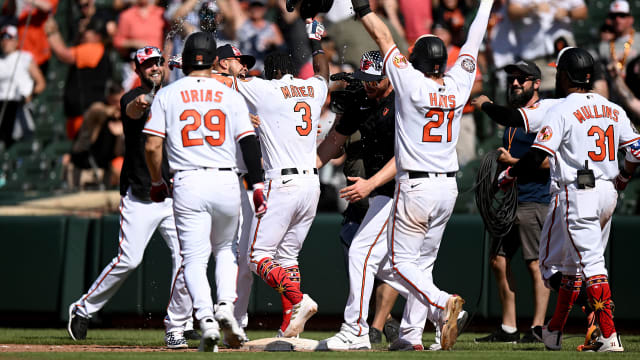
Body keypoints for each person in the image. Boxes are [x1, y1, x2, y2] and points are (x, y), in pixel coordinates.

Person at [348, 0, 494, 350]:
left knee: (399, 265)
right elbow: (473, 40)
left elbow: (384, 38)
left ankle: (443, 304)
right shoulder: (459, 82)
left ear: (417, 62)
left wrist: (363, 9)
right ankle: (412, 336)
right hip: (447, 187)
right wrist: (487, 3)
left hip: (416, 185)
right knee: (423, 262)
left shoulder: (410, 82)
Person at [497, 47, 640, 352]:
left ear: (564, 75)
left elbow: (537, 156)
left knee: (566, 265)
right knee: (574, 267)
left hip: (577, 192)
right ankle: (553, 331)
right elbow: (637, 150)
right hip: (606, 192)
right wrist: (625, 177)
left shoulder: (560, 109)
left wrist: (510, 173)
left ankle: (609, 335)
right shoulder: (612, 107)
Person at [66, 46, 197, 349]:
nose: (154, 68)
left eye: (157, 63)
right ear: (137, 70)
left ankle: (182, 321)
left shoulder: (174, 97)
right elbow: (136, 106)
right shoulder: (134, 96)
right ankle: (83, 309)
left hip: (172, 195)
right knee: (129, 260)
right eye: (147, 64)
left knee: (187, 256)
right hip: (140, 194)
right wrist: (148, 98)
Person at [143, 32, 265, 352]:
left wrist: (157, 182)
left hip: (188, 180)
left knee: (194, 260)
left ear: (184, 60)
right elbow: (248, 143)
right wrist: (258, 184)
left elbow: (153, 145)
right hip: (226, 180)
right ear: (214, 60)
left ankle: (206, 320)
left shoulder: (168, 94)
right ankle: (226, 306)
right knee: (226, 250)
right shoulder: (229, 94)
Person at [236, 19, 328, 338]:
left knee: (257, 257)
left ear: (271, 72)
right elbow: (323, 73)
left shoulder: (267, 88)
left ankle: (298, 300)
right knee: (288, 257)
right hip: (311, 184)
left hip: (282, 182)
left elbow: (229, 82)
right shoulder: (313, 89)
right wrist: (316, 41)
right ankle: (292, 325)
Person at [471, 60, 553, 343]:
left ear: (536, 83)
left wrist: (512, 162)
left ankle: (539, 327)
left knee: (535, 264)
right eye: (512, 79)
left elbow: (549, 163)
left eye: (522, 79)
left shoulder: (544, 113)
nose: (515, 83)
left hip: (536, 199)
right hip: (512, 199)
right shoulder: (516, 117)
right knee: (498, 260)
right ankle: (508, 327)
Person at [45, 16, 113, 140]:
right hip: (79, 115)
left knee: (82, 152)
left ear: (97, 35)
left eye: (87, 30)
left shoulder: (93, 48)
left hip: (85, 117)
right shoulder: (95, 49)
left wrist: (51, 32)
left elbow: (63, 54)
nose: (83, 33)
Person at [0, 24, 45, 149]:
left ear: (16, 41)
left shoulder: (25, 57)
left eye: (9, 38)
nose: (5, 41)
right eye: (2, 38)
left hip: (21, 104)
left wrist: (31, 95)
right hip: (2, 106)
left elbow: (41, 82)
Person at [597, 0, 640, 77]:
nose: (617, 19)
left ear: (631, 19)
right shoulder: (604, 45)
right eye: (613, 16)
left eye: (622, 15)